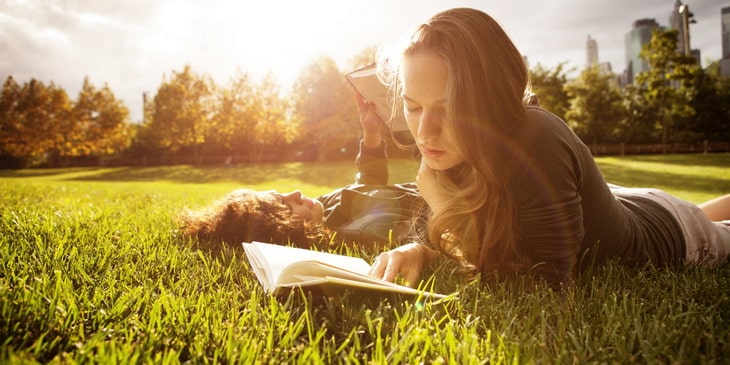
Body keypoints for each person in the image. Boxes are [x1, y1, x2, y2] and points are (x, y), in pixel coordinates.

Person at [364, 7, 730, 290]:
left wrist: (441, 204)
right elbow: (491, 249)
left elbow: (544, 286)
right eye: (413, 107)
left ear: (490, 98)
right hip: (623, 205)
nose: (425, 131)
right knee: (695, 210)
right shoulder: (455, 148)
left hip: (671, 232)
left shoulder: (537, 137)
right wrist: (420, 252)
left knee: (703, 222)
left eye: (450, 108)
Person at [178, 95, 427, 253]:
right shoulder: (354, 236)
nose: (296, 192)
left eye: (281, 194)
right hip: (452, 194)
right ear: (285, 234)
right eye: (287, 207)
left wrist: (371, 134)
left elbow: (370, 189)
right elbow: (427, 232)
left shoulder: (326, 208)